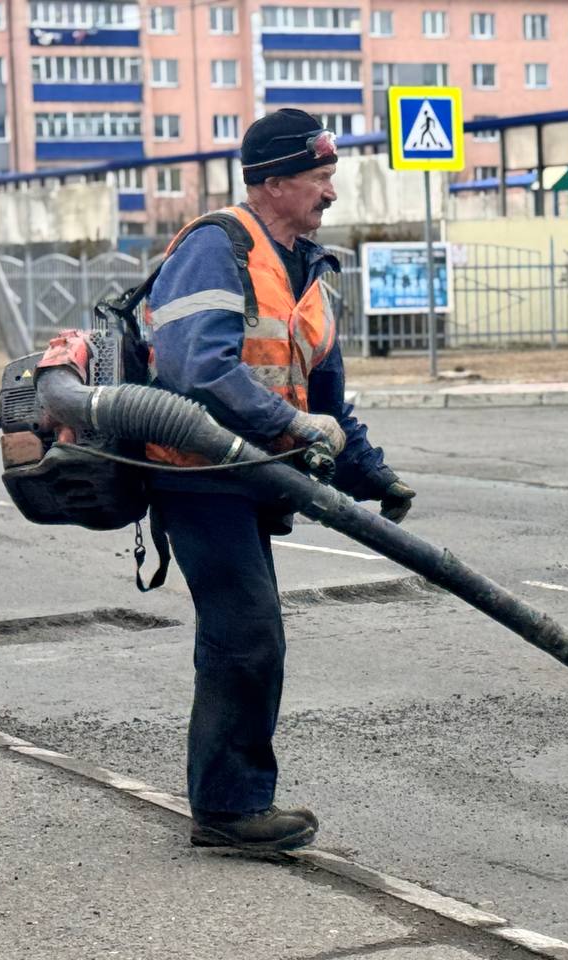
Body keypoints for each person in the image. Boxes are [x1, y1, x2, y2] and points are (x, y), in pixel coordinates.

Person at [145, 109, 417, 851]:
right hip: (196, 474)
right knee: (245, 636)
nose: (332, 193)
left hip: (253, 480)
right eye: (320, 178)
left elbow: (325, 403)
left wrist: (374, 474)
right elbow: (196, 370)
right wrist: (297, 432)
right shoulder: (217, 246)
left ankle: (227, 803)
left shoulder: (313, 272)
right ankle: (230, 811)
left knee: (247, 634)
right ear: (272, 182)